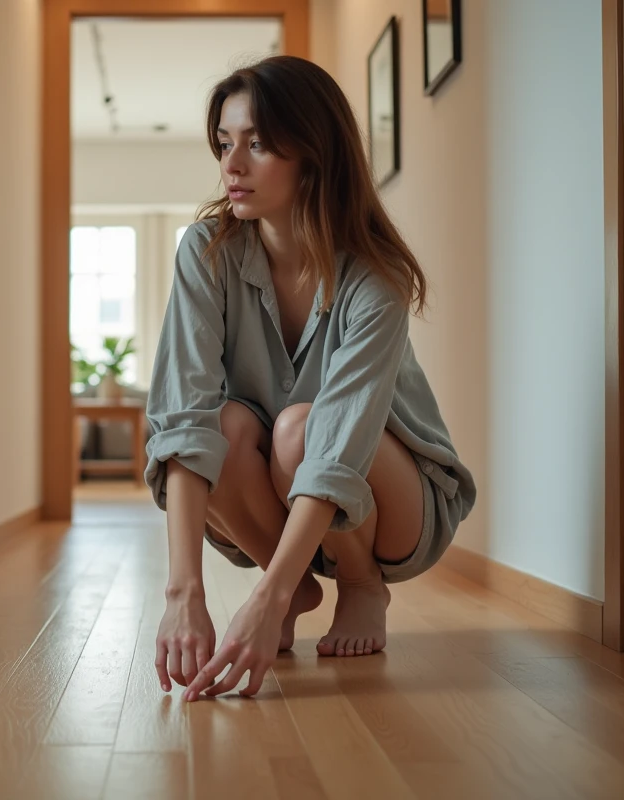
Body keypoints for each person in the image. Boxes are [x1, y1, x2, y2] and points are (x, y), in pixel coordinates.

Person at [143, 55, 476, 703]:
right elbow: (182, 420)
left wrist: (260, 604)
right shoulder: (205, 253)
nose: (232, 165)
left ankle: (359, 584)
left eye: (258, 144)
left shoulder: (375, 276)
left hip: (392, 504)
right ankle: (292, 581)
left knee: (302, 429)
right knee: (220, 425)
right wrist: (183, 593)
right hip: (274, 496)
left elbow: (339, 445)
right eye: (224, 143)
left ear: (314, 155)